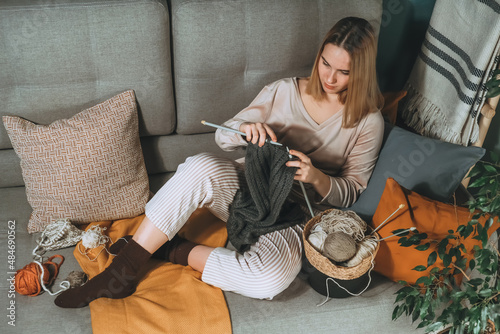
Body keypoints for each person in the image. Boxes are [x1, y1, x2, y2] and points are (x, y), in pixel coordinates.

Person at [54, 16, 385, 308]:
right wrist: (244, 129)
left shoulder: (368, 121)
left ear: (362, 72)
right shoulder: (283, 92)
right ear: (319, 56)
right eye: (326, 63)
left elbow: (352, 192)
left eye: (344, 72)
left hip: (295, 216)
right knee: (199, 166)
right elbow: (222, 136)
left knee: (269, 281)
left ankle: (168, 249)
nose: (330, 77)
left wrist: (316, 177)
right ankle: (122, 271)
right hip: (248, 188)